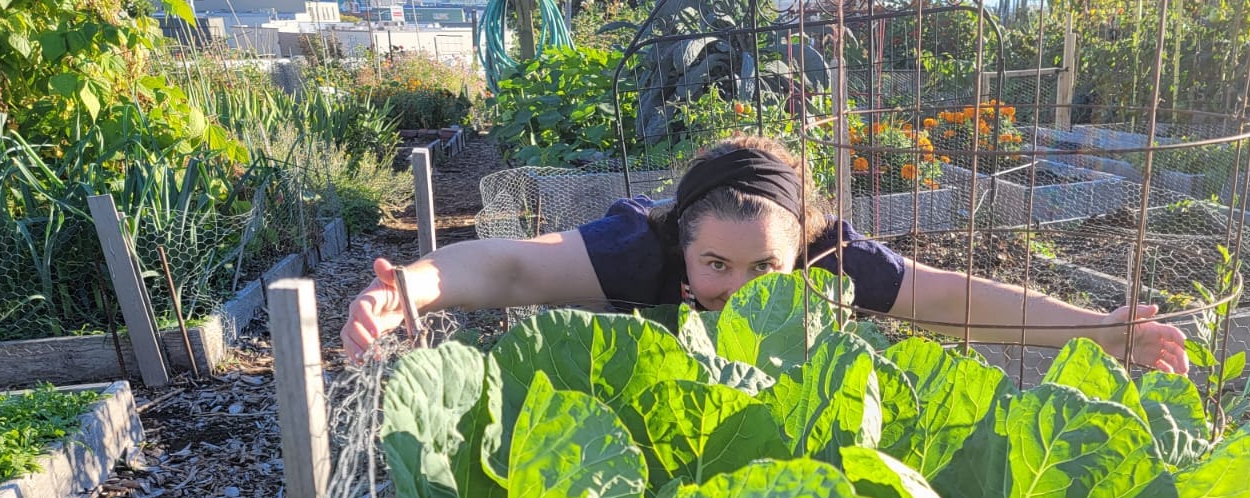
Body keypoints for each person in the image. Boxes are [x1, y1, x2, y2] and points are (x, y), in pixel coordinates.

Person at [342, 134, 1188, 374]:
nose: (738, 288)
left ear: (801, 249)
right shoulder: (640, 249)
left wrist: (1098, 330)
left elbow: (945, 297)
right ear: (683, 242)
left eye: (765, 270)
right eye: (715, 266)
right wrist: (409, 286)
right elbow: (510, 266)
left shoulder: (830, 258)